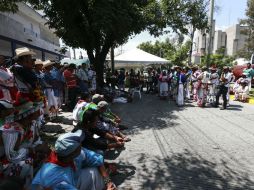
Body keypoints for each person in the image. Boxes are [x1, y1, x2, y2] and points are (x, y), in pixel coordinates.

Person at [32, 130, 116, 190]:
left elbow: (97, 159)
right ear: (72, 153)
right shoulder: (57, 179)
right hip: (60, 184)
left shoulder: (72, 154)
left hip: (71, 180)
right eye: (78, 144)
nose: (80, 144)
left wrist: (108, 182)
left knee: (94, 171)